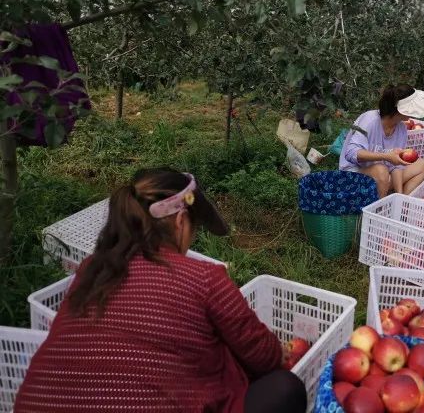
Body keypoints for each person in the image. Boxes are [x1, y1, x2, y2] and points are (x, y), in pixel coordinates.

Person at [14, 168, 306, 413]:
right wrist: (278, 351)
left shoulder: (90, 269)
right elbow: (264, 357)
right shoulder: (204, 278)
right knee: (283, 388)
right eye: (195, 228)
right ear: (180, 222)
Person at [339, 84, 424, 197]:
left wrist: (399, 195)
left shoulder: (401, 129)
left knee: (421, 164)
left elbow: (397, 167)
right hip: (352, 176)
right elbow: (351, 153)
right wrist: (385, 156)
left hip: (381, 177)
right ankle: (377, 208)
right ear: (399, 108)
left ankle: (400, 201)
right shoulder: (370, 120)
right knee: (381, 170)